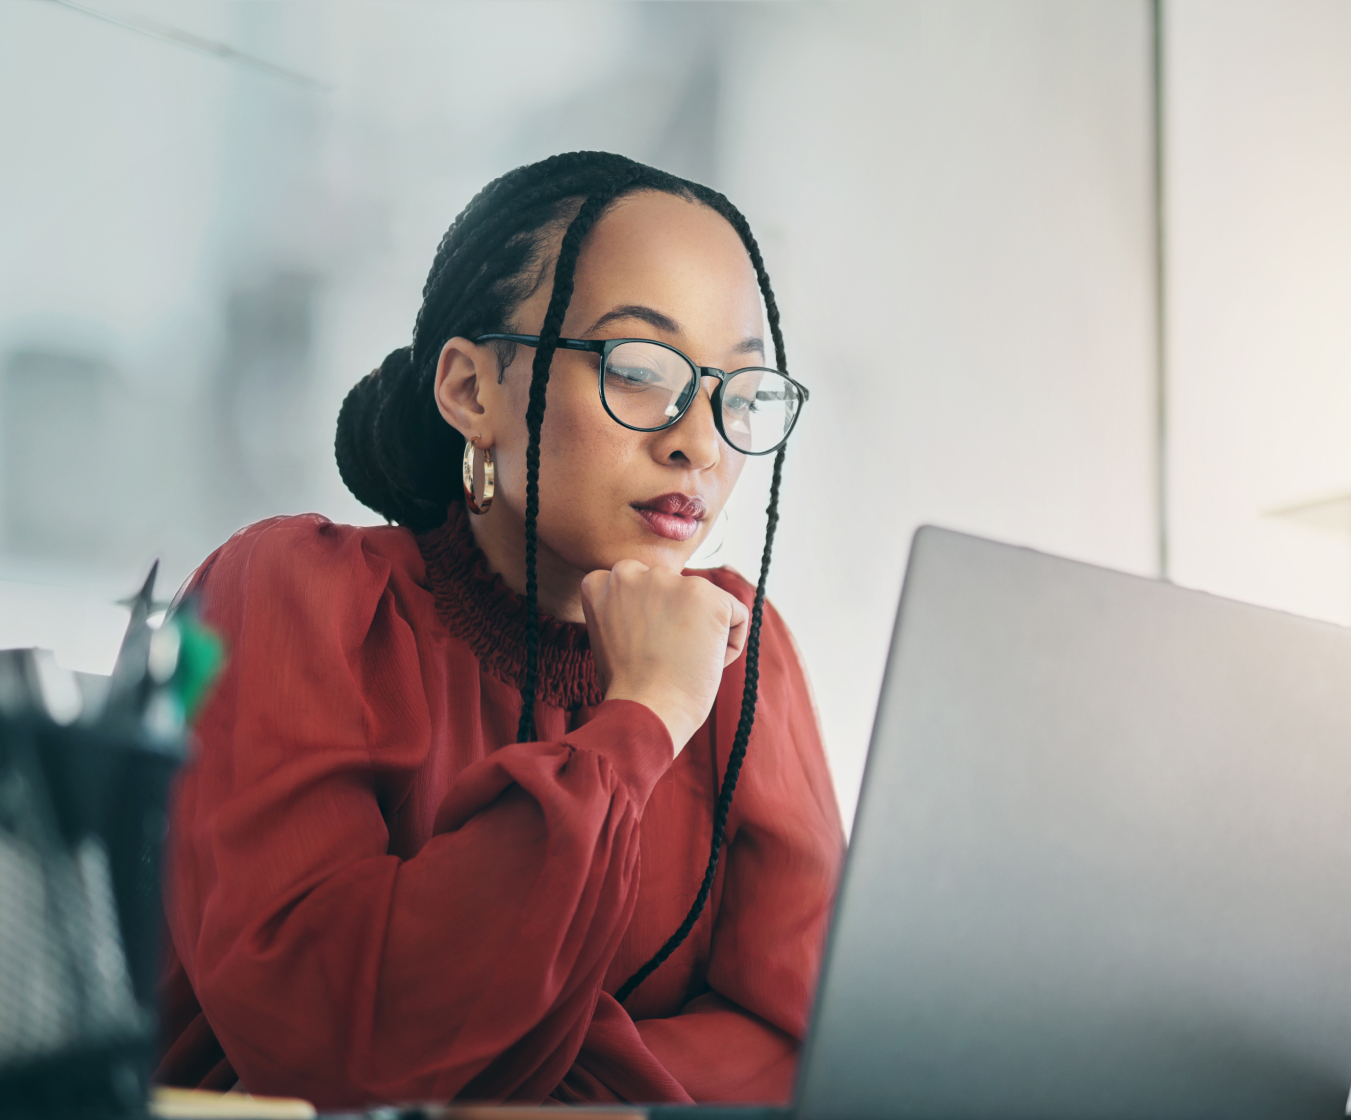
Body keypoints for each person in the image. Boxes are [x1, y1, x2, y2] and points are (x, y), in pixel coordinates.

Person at [155, 152, 844, 1109]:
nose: (699, 442)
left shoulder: (739, 651)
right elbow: (321, 1036)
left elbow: (804, 1048)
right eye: (640, 371)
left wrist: (514, 1070)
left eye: (739, 390)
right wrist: (642, 714)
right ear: (473, 392)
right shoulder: (291, 593)